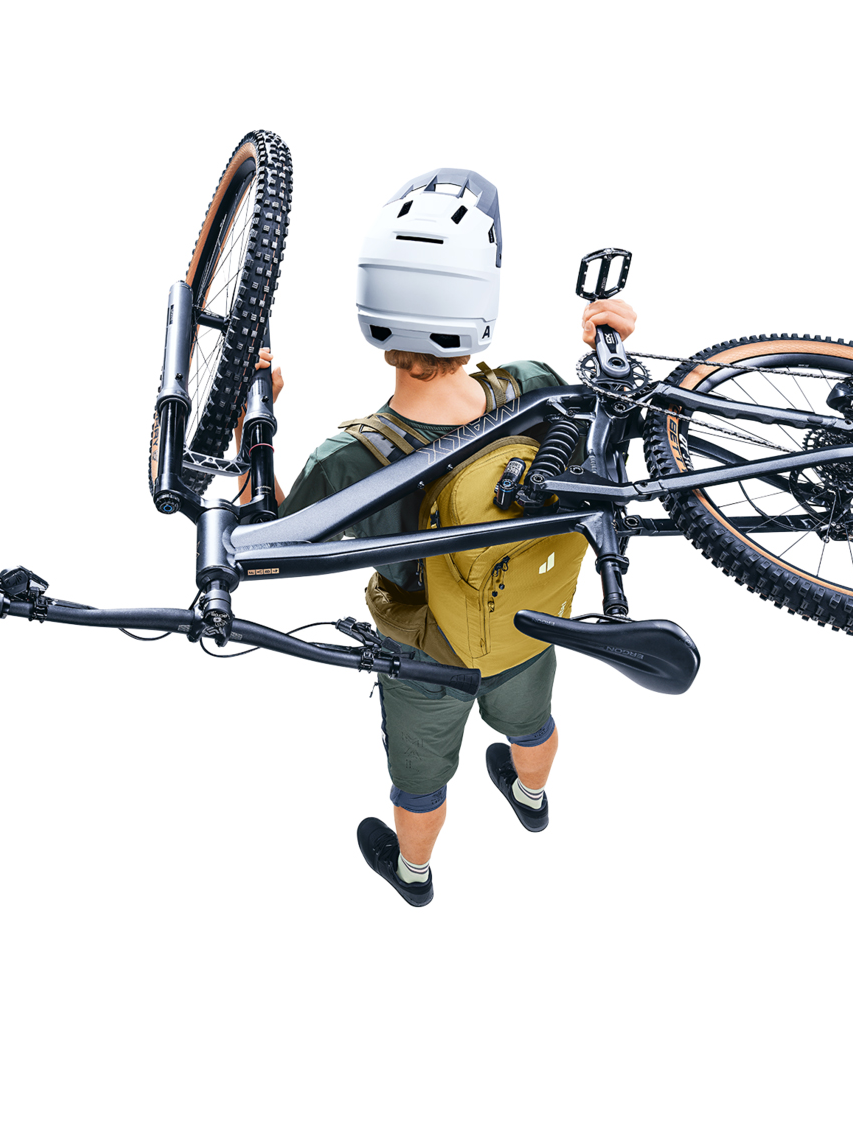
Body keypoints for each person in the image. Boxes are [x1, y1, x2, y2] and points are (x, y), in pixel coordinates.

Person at [246, 170, 636, 906]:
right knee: (533, 724)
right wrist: (608, 345)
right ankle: (530, 797)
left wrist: (253, 433)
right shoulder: (532, 386)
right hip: (528, 620)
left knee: (420, 781)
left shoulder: (348, 459)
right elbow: (605, 431)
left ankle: (414, 874)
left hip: (423, 649)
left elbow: (264, 550)